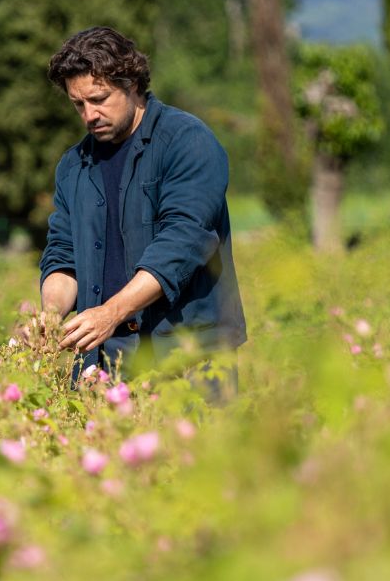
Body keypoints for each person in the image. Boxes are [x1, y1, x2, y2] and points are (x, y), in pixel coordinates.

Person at [37, 26, 246, 390]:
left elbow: (181, 244)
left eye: (99, 99)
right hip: (102, 364)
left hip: (188, 360)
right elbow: (63, 256)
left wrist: (111, 313)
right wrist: (51, 316)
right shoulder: (73, 167)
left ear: (132, 84)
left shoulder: (187, 142)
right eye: (78, 104)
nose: (89, 115)